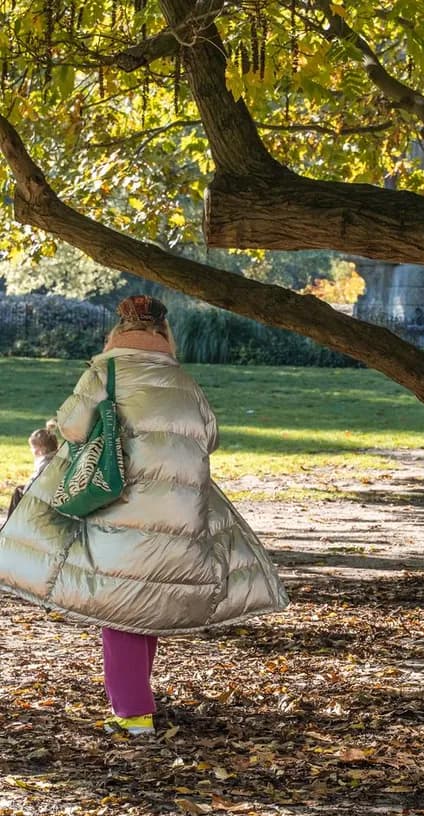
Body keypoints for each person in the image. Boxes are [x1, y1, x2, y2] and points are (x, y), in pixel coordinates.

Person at [0, 295, 289, 736]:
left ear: (118, 330)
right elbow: (210, 436)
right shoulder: (184, 381)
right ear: (163, 333)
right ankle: (136, 703)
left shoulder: (105, 372)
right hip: (180, 509)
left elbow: (73, 428)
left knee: (122, 609)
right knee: (145, 604)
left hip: (123, 506)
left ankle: (134, 715)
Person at [5, 421, 59, 520]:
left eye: (32, 447)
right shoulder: (57, 460)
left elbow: (32, 484)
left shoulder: (44, 464)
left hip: (42, 498)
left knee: (18, 491)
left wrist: (24, 490)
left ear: (40, 449)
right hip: (53, 494)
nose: (31, 450)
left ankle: (10, 524)